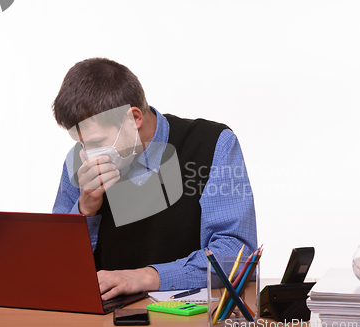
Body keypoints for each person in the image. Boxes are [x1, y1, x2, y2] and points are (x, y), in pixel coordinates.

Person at [52, 58, 257, 301]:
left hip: (189, 317)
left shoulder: (213, 145)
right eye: (81, 143)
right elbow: (58, 266)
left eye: (96, 142)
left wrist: (147, 277)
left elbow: (236, 255)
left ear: (134, 118)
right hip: (105, 319)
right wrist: (85, 210)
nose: (86, 153)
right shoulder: (79, 161)